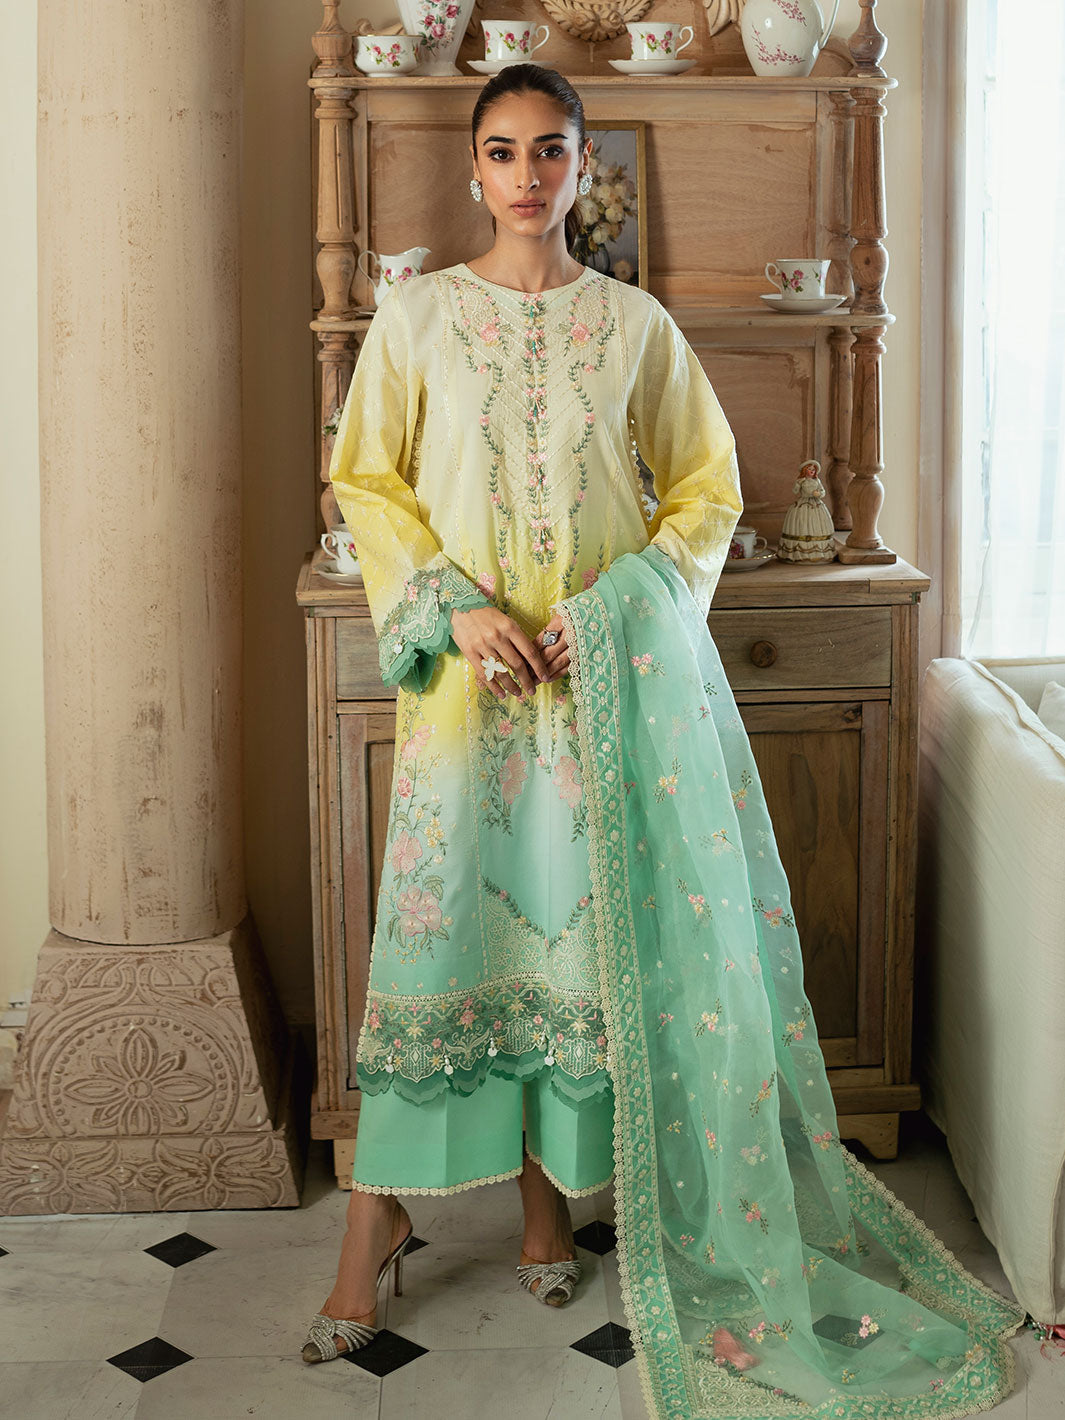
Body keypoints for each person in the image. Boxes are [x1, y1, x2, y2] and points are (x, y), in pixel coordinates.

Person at [304, 62, 1026, 1420]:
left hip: (597, 698)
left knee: (564, 959)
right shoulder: (416, 318)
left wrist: (615, 607)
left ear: (585, 170)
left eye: (550, 151)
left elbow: (705, 491)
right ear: (474, 169)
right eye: (503, 150)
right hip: (467, 702)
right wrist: (452, 608)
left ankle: (542, 1213)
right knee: (442, 950)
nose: (527, 174)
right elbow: (365, 478)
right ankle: (373, 1221)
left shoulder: (631, 327)